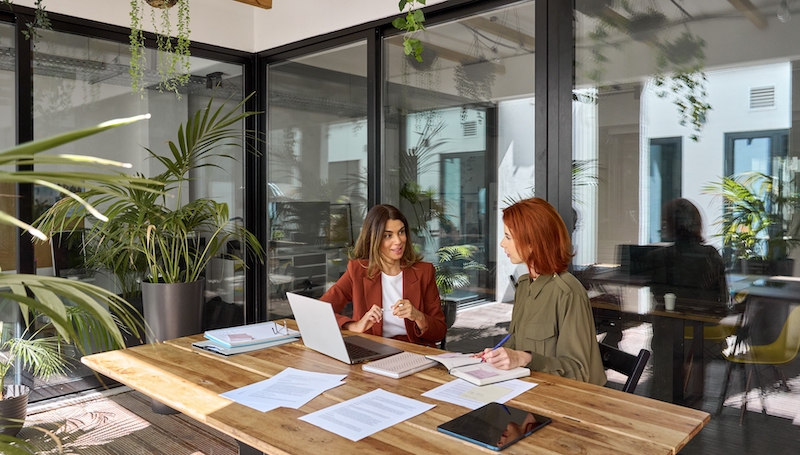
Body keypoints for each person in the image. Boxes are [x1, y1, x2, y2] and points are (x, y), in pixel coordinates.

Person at [479, 197, 606, 385]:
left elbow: (579, 372)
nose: (502, 244)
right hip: (530, 391)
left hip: (567, 403)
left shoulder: (568, 293)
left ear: (532, 243)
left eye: (508, 237)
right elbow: (516, 342)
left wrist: (525, 359)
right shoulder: (524, 285)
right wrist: (498, 356)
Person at [320, 204, 446, 347]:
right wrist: (354, 326)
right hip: (371, 350)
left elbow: (439, 332)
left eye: (401, 232)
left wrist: (418, 316)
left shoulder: (424, 272)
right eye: (388, 235)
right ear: (374, 238)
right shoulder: (358, 271)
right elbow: (321, 310)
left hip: (414, 351)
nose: (398, 241)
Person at [647, 198, 727, 308]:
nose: (662, 225)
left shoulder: (659, 256)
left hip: (669, 322)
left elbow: (658, 299)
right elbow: (723, 299)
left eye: (665, 220)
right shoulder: (710, 254)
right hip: (706, 321)